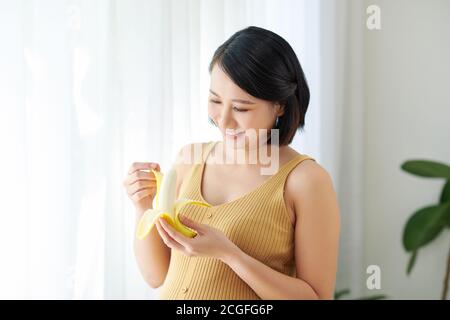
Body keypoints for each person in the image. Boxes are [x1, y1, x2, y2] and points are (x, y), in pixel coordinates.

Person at [123, 26, 340, 300]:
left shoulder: (306, 180)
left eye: (240, 108)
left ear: (280, 106)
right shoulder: (189, 159)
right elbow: (156, 276)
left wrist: (229, 254)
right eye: (215, 100)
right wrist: (143, 205)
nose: (222, 120)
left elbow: (316, 297)